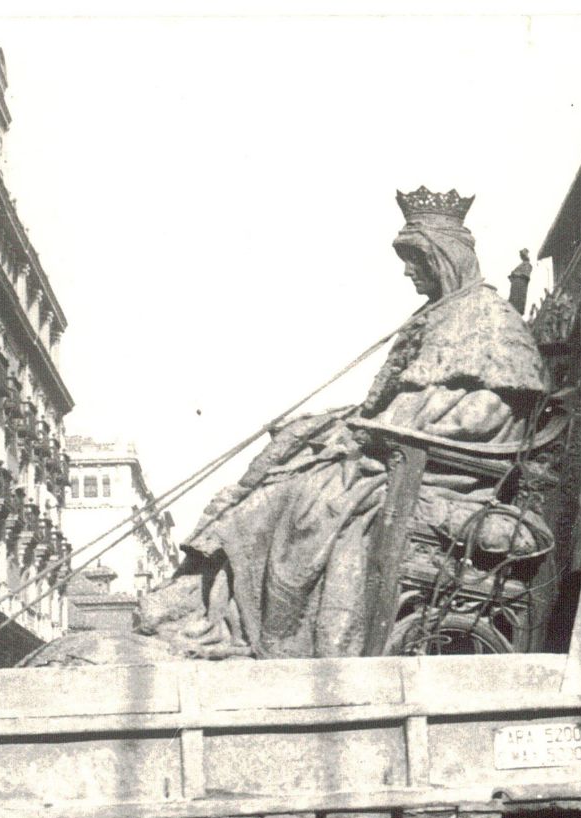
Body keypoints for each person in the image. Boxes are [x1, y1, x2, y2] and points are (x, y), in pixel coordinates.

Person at [136, 187, 549, 660]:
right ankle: (209, 605)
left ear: (444, 259)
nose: (408, 271)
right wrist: (347, 423)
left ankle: (260, 632)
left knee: (308, 499)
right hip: (403, 451)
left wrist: (387, 429)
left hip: (445, 467)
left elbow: (484, 414)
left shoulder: (490, 319)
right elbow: (408, 397)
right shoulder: (442, 314)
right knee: (288, 461)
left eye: (416, 260)